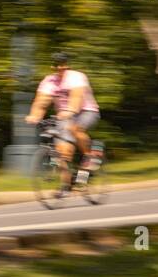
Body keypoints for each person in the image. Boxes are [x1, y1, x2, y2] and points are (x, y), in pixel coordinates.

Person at [25, 53, 101, 190]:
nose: (60, 67)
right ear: (52, 67)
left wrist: (70, 111)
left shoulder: (77, 77)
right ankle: (66, 186)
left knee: (75, 129)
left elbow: (76, 98)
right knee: (62, 152)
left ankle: (90, 156)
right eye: (57, 65)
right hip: (64, 116)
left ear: (67, 65)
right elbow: (41, 102)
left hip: (87, 111)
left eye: (63, 64)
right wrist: (34, 116)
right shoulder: (49, 81)